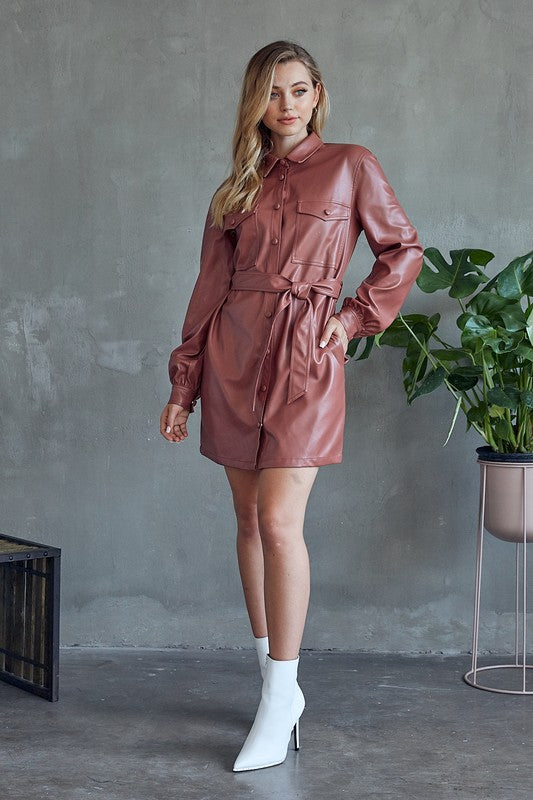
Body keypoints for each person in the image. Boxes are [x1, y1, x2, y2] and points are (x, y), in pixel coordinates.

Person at [160, 40, 423, 772]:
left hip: (306, 357)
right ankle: (273, 685)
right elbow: (208, 291)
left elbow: (402, 249)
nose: (287, 105)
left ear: (317, 95)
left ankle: (281, 698)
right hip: (233, 356)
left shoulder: (351, 164)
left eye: (299, 90)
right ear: (255, 102)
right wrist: (183, 386)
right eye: (273, 92)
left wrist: (352, 318)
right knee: (247, 521)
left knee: (279, 521)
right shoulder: (233, 191)